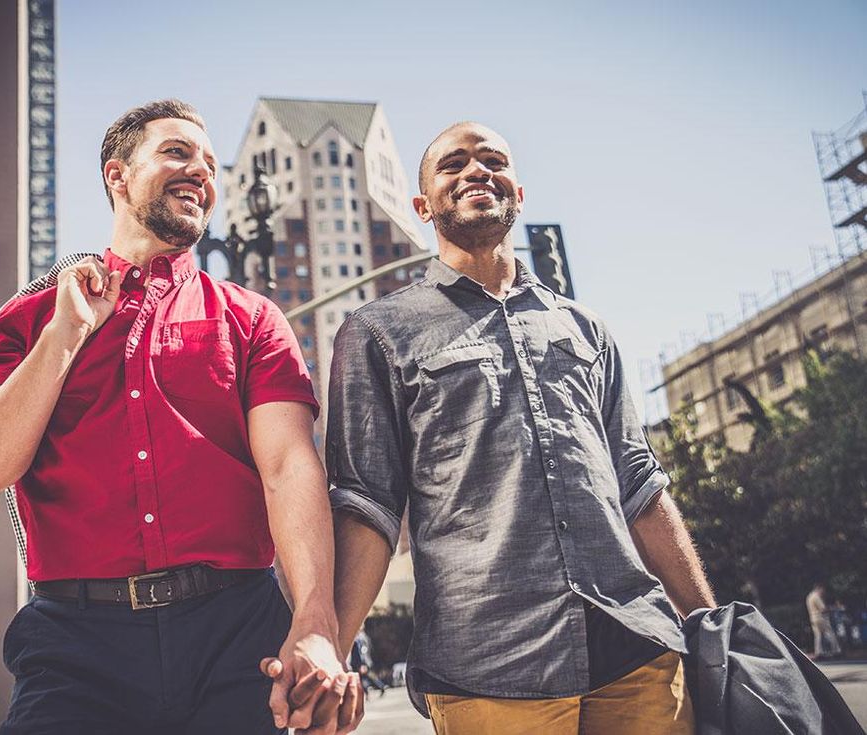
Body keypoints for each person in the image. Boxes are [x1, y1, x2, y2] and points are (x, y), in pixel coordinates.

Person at [0, 99, 359, 735]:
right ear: (118, 175)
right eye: (177, 153)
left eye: (211, 164)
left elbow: (289, 467)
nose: (201, 172)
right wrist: (64, 336)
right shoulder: (31, 319)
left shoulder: (251, 319)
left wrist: (315, 623)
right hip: (76, 642)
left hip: (237, 633)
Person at [325, 122, 717, 735]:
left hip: (640, 650)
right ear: (423, 206)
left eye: (493, 160)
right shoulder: (377, 332)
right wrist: (335, 649)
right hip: (487, 664)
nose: (476, 170)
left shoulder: (587, 329)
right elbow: (366, 504)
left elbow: (640, 484)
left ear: (519, 192)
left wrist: (707, 622)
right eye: (453, 164)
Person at [807, 582, 841, 660]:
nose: (823, 592)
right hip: (820, 617)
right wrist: (834, 608)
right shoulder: (816, 597)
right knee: (830, 633)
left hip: (813, 618)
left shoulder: (809, 596)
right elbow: (823, 609)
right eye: (822, 590)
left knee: (818, 636)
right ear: (819, 588)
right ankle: (836, 650)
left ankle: (819, 652)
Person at [350, 629, 387, 698]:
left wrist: (362, 663)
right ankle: (370, 691)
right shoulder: (364, 637)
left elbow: (361, 652)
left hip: (360, 663)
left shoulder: (359, 639)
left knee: (365, 678)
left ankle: (380, 686)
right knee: (365, 678)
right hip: (363, 662)